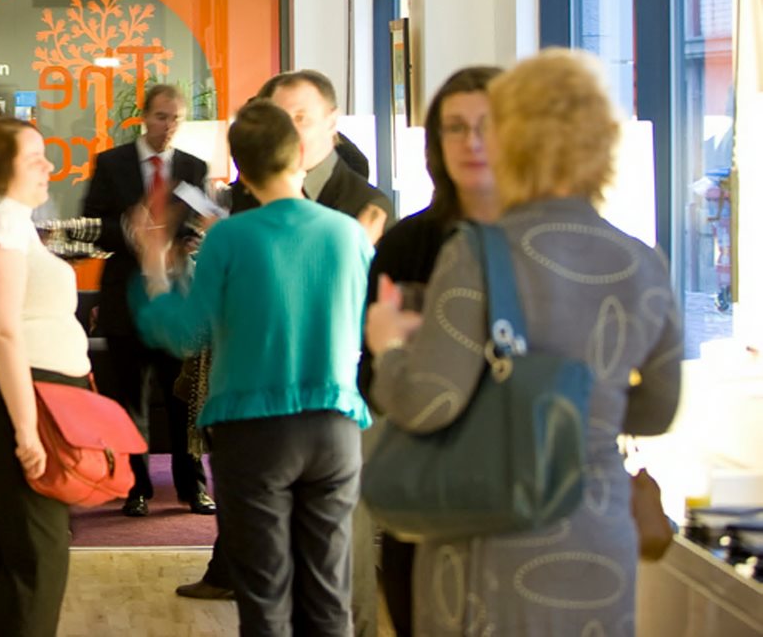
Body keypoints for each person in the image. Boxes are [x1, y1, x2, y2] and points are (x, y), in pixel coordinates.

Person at [366, 50, 683, 636]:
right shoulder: (644, 262)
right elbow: (659, 410)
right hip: (598, 525)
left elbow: (431, 401)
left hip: (492, 524)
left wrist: (389, 348)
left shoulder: (480, 251)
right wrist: (582, 414)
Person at [132, 99, 377, 636]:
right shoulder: (349, 234)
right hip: (336, 427)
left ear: (239, 166)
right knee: (329, 594)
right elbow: (366, 327)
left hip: (254, 431)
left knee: (264, 596)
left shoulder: (230, 239)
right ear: (299, 155)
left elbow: (185, 331)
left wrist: (154, 270)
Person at [184, 68, 394, 611]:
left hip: (336, 406)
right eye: (282, 120)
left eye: (301, 118)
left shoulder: (364, 205)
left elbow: (367, 314)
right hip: (255, 407)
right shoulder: (246, 204)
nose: (291, 132)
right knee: (271, 584)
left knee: (333, 581)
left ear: (332, 123)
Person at [360, 65, 501, 636]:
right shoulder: (408, 243)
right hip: (429, 491)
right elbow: (374, 375)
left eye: (489, 125)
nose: (471, 142)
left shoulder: (553, 245)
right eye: (454, 127)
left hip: (528, 500)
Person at [0, 117, 92, 636]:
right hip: (15, 403)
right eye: (35, 158)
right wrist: (27, 429)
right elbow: (2, 332)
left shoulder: (1, 220)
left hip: (8, 398)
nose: (49, 166)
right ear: (0, 169)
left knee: (1, 550)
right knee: (38, 555)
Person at [81, 83, 213, 518]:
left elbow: (200, 223)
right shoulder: (113, 163)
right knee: (130, 402)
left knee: (182, 399)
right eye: (161, 117)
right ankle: (136, 487)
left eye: (176, 118)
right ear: (143, 117)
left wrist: (188, 238)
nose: (168, 126)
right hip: (126, 300)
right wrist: (131, 230)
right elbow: (94, 224)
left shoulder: (194, 167)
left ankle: (192, 487)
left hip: (176, 301)